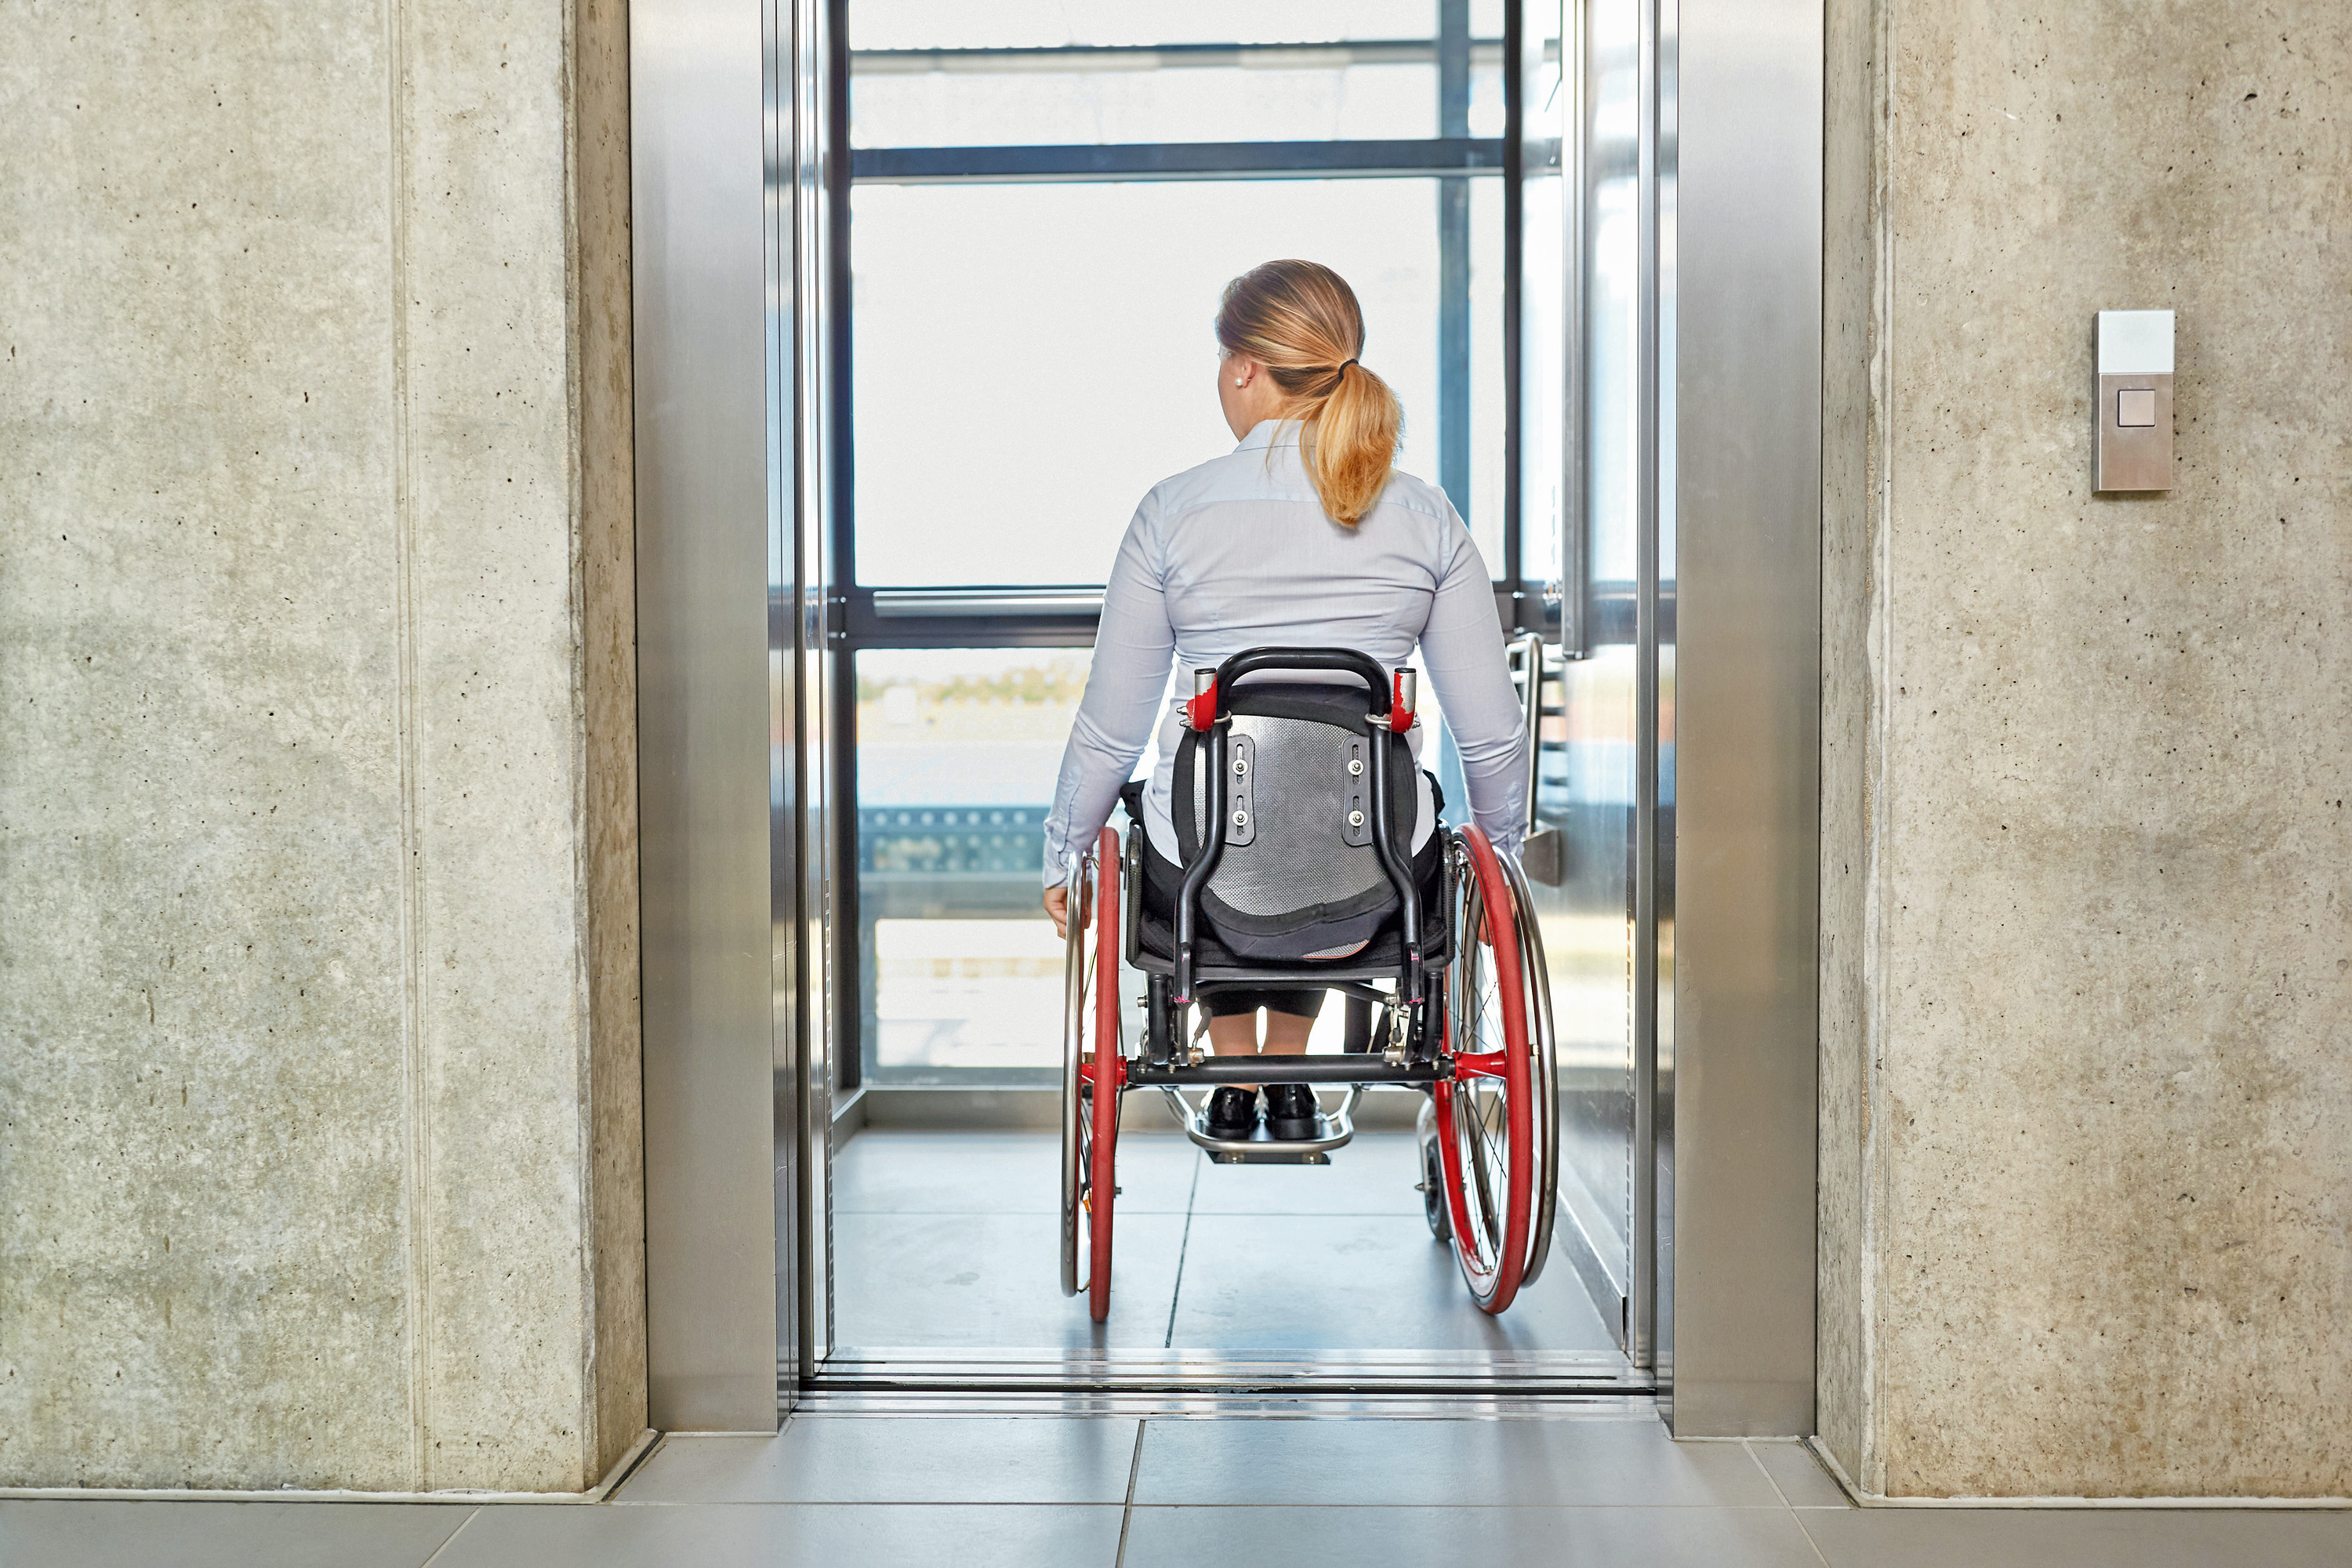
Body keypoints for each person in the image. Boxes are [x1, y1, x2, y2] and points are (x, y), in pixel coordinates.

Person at [1043, 260, 1527, 1141]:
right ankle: (1291, 1074)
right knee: (1324, 799)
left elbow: (1111, 725)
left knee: (1226, 809)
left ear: (1242, 367)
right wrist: (1503, 868)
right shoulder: (1422, 514)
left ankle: (1235, 1072)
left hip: (1201, 871)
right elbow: (1490, 736)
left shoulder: (1173, 511)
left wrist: (1064, 852)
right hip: (1375, 872)